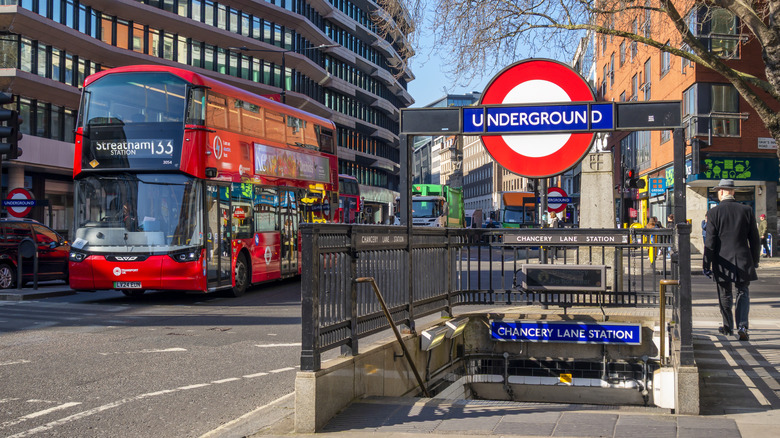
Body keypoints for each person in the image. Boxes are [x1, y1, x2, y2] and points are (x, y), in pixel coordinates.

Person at [703, 179, 761, 341]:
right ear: (733, 192)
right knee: (743, 292)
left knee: (725, 294)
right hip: (743, 259)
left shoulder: (714, 213)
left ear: (721, 192)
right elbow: (754, 239)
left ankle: (728, 326)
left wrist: (706, 264)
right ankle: (742, 325)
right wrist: (755, 260)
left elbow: (710, 242)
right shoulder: (746, 210)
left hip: (722, 261)